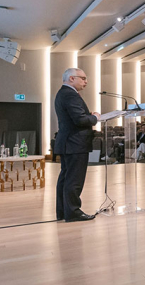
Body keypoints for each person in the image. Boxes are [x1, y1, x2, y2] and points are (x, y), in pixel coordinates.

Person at [54, 68, 99, 222]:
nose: (86, 82)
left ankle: (63, 212)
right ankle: (73, 212)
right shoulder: (70, 95)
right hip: (75, 143)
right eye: (83, 78)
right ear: (72, 78)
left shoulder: (63, 93)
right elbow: (80, 120)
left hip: (68, 142)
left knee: (66, 178)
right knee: (74, 180)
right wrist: (94, 117)